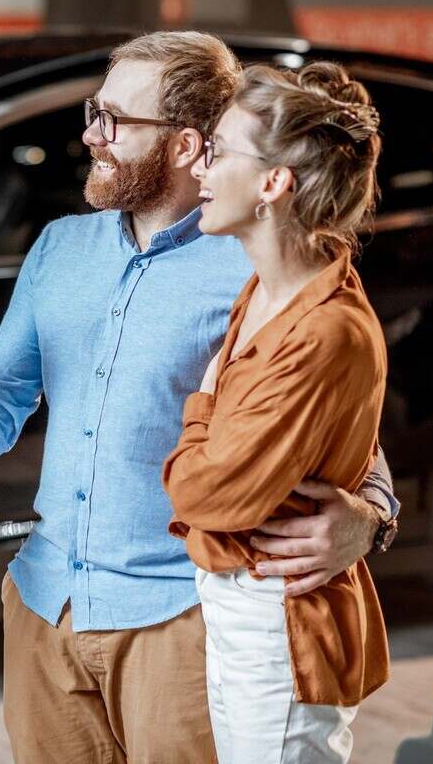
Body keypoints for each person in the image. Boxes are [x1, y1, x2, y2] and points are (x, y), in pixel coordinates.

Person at [0, 32, 399, 763]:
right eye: (94, 111)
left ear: (187, 145)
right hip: (44, 602)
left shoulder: (254, 258)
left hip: (181, 617)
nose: (90, 134)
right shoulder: (62, 247)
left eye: (113, 120)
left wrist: (371, 516)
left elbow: (339, 416)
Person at [163, 61, 388, 763]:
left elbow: (204, 493)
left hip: (279, 620)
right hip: (242, 604)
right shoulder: (270, 287)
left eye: (220, 149)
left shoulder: (321, 328)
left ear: (272, 183)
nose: (200, 163)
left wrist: (200, 404)